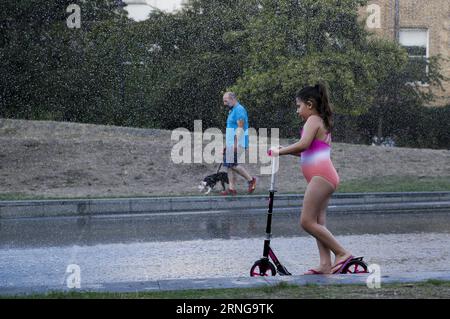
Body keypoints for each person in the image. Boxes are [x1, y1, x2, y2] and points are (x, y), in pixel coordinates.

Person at [269, 83, 353, 275]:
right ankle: (325, 264)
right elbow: (304, 150)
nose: (297, 111)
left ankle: (342, 253)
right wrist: (284, 150)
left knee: (306, 222)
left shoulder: (313, 120)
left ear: (309, 104)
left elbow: (303, 144)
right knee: (318, 223)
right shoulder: (318, 120)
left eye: (298, 106)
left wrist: (279, 152)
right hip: (324, 176)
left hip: (321, 177)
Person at [221, 92, 257, 196]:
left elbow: (240, 128)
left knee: (232, 164)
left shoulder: (239, 110)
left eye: (226, 101)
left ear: (233, 99)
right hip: (231, 143)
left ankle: (251, 180)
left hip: (238, 143)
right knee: (229, 166)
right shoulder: (232, 111)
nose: (224, 103)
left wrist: (235, 144)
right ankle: (232, 189)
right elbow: (231, 129)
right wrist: (226, 144)